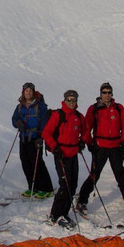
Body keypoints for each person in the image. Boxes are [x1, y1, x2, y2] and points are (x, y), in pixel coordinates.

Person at [76, 83, 124, 217]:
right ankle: (82, 200)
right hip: (100, 146)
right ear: (100, 94)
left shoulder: (118, 108)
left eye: (109, 92)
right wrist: (89, 143)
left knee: (120, 175)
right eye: (104, 92)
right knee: (95, 175)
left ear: (112, 94)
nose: (107, 95)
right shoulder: (94, 108)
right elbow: (87, 127)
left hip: (116, 146)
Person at [43, 90, 85, 229]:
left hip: (73, 154)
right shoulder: (58, 115)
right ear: (65, 100)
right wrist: (54, 147)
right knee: (64, 185)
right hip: (61, 154)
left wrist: (82, 141)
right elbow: (46, 133)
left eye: (74, 100)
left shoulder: (78, 116)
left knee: (72, 185)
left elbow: (85, 131)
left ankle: (64, 213)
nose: (72, 102)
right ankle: (55, 215)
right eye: (69, 100)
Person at [11, 82, 53, 198]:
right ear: (23, 92)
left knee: (37, 163)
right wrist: (17, 123)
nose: (28, 93)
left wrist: (41, 137)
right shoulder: (20, 106)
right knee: (25, 162)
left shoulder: (41, 106)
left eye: (30, 91)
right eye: (26, 91)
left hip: (35, 138)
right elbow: (14, 119)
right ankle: (33, 187)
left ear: (33, 92)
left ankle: (47, 188)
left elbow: (44, 122)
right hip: (23, 138)